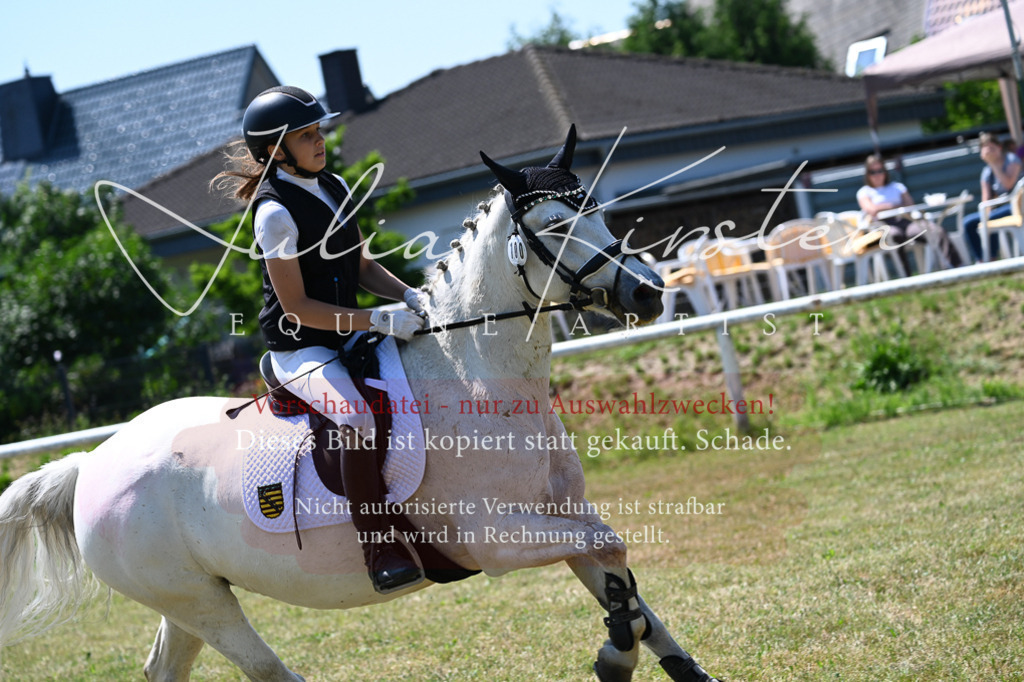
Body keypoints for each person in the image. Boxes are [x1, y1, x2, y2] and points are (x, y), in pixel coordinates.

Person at [214, 85, 426, 593]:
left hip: (346, 335)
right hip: (300, 348)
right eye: (306, 135)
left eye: (318, 131)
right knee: (353, 416)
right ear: (274, 150)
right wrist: (377, 321)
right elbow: (298, 308)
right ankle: (378, 546)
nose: (320, 141)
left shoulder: (330, 183)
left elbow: (361, 265)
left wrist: (412, 296)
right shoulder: (273, 213)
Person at [856, 154, 962, 271]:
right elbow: (872, 210)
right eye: (873, 172)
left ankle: (954, 267)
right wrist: (893, 206)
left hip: (907, 221)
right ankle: (905, 276)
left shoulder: (897, 187)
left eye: (880, 170)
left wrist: (885, 207)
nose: (877, 175)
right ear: (867, 174)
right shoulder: (864, 192)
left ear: (885, 172)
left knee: (936, 231)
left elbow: (910, 205)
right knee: (895, 236)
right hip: (884, 225)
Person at [962, 132, 1022, 262]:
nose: (989, 152)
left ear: (999, 147)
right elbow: (986, 201)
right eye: (985, 149)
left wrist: (994, 164)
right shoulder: (986, 172)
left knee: (989, 217)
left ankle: (991, 258)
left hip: (1017, 205)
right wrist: (986, 215)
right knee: (969, 222)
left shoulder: (1012, 160)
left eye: (991, 148)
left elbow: (1008, 185)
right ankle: (984, 259)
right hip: (999, 208)